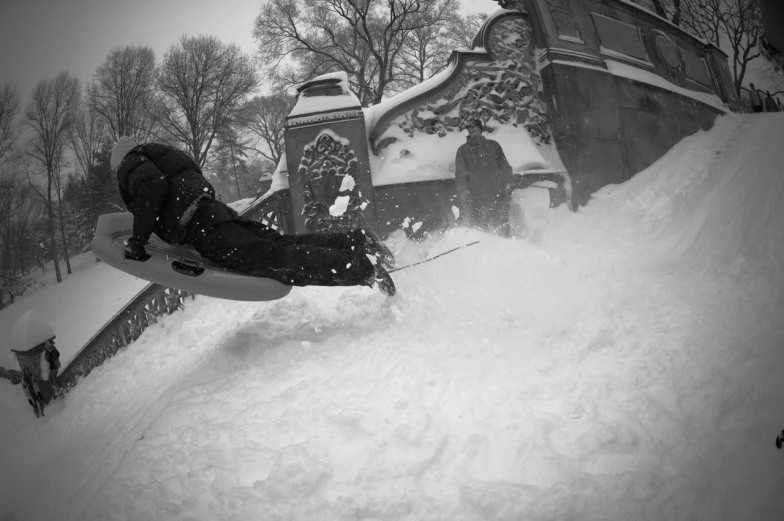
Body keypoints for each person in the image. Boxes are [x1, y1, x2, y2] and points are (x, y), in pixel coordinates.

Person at [111, 137, 396, 296]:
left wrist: (138, 240)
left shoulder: (131, 162)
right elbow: (182, 182)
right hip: (214, 212)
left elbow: (152, 187)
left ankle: (362, 268)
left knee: (276, 260)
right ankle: (357, 242)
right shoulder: (163, 153)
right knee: (283, 246)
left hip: (202, 226)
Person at [454, 118, 514, 236]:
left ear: (480, 128)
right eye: (468, 128)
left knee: (502, 223)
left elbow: (504, 165)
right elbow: (460, 174)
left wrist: (509, 182)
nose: (471, 130)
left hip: (496, 191)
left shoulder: (493, 146)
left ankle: (507, 248)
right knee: (480, 227)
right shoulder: (463, 150)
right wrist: (464, 191)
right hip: (476, 194)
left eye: (473, 127)